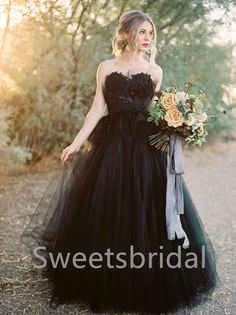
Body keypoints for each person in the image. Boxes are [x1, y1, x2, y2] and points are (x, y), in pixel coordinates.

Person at [21, 10, 220, 315]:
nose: (147, 38)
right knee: (106, 206)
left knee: (146, 208)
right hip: (111, 146)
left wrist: (179, 123)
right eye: (142, 32)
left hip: (145, 147)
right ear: (127, 33)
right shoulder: (105, 68)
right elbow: (96, 109)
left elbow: (156, 111)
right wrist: (75, 143)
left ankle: (149, 276)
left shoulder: (155, 71)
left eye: (150, 33)